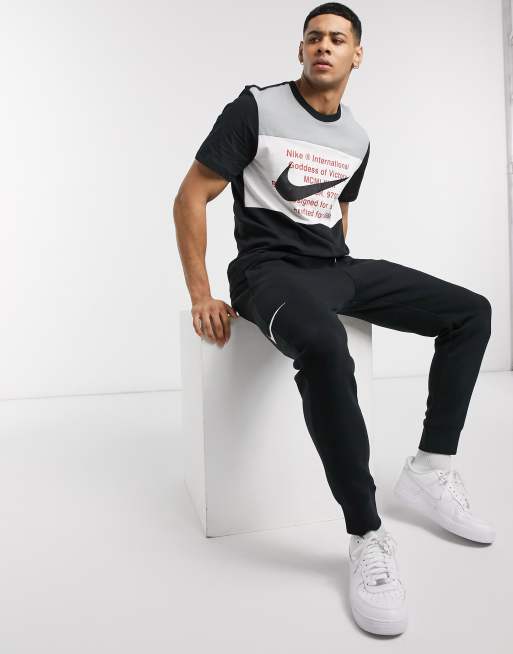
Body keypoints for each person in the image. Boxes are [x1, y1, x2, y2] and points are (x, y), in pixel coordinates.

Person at [173, 2, 495, 636]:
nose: (324, 46)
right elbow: (192, 193)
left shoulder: (358, 137)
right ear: (300, 50)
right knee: (324, 345)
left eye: (338, 39)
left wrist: (343, 278)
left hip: (332, 266)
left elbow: (337, 209)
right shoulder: (256, 108)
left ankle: (430, 469)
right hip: (266, 271)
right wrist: (201, 293)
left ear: (357, 55)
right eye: (314, 37)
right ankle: (367, 534)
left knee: (470, 313)